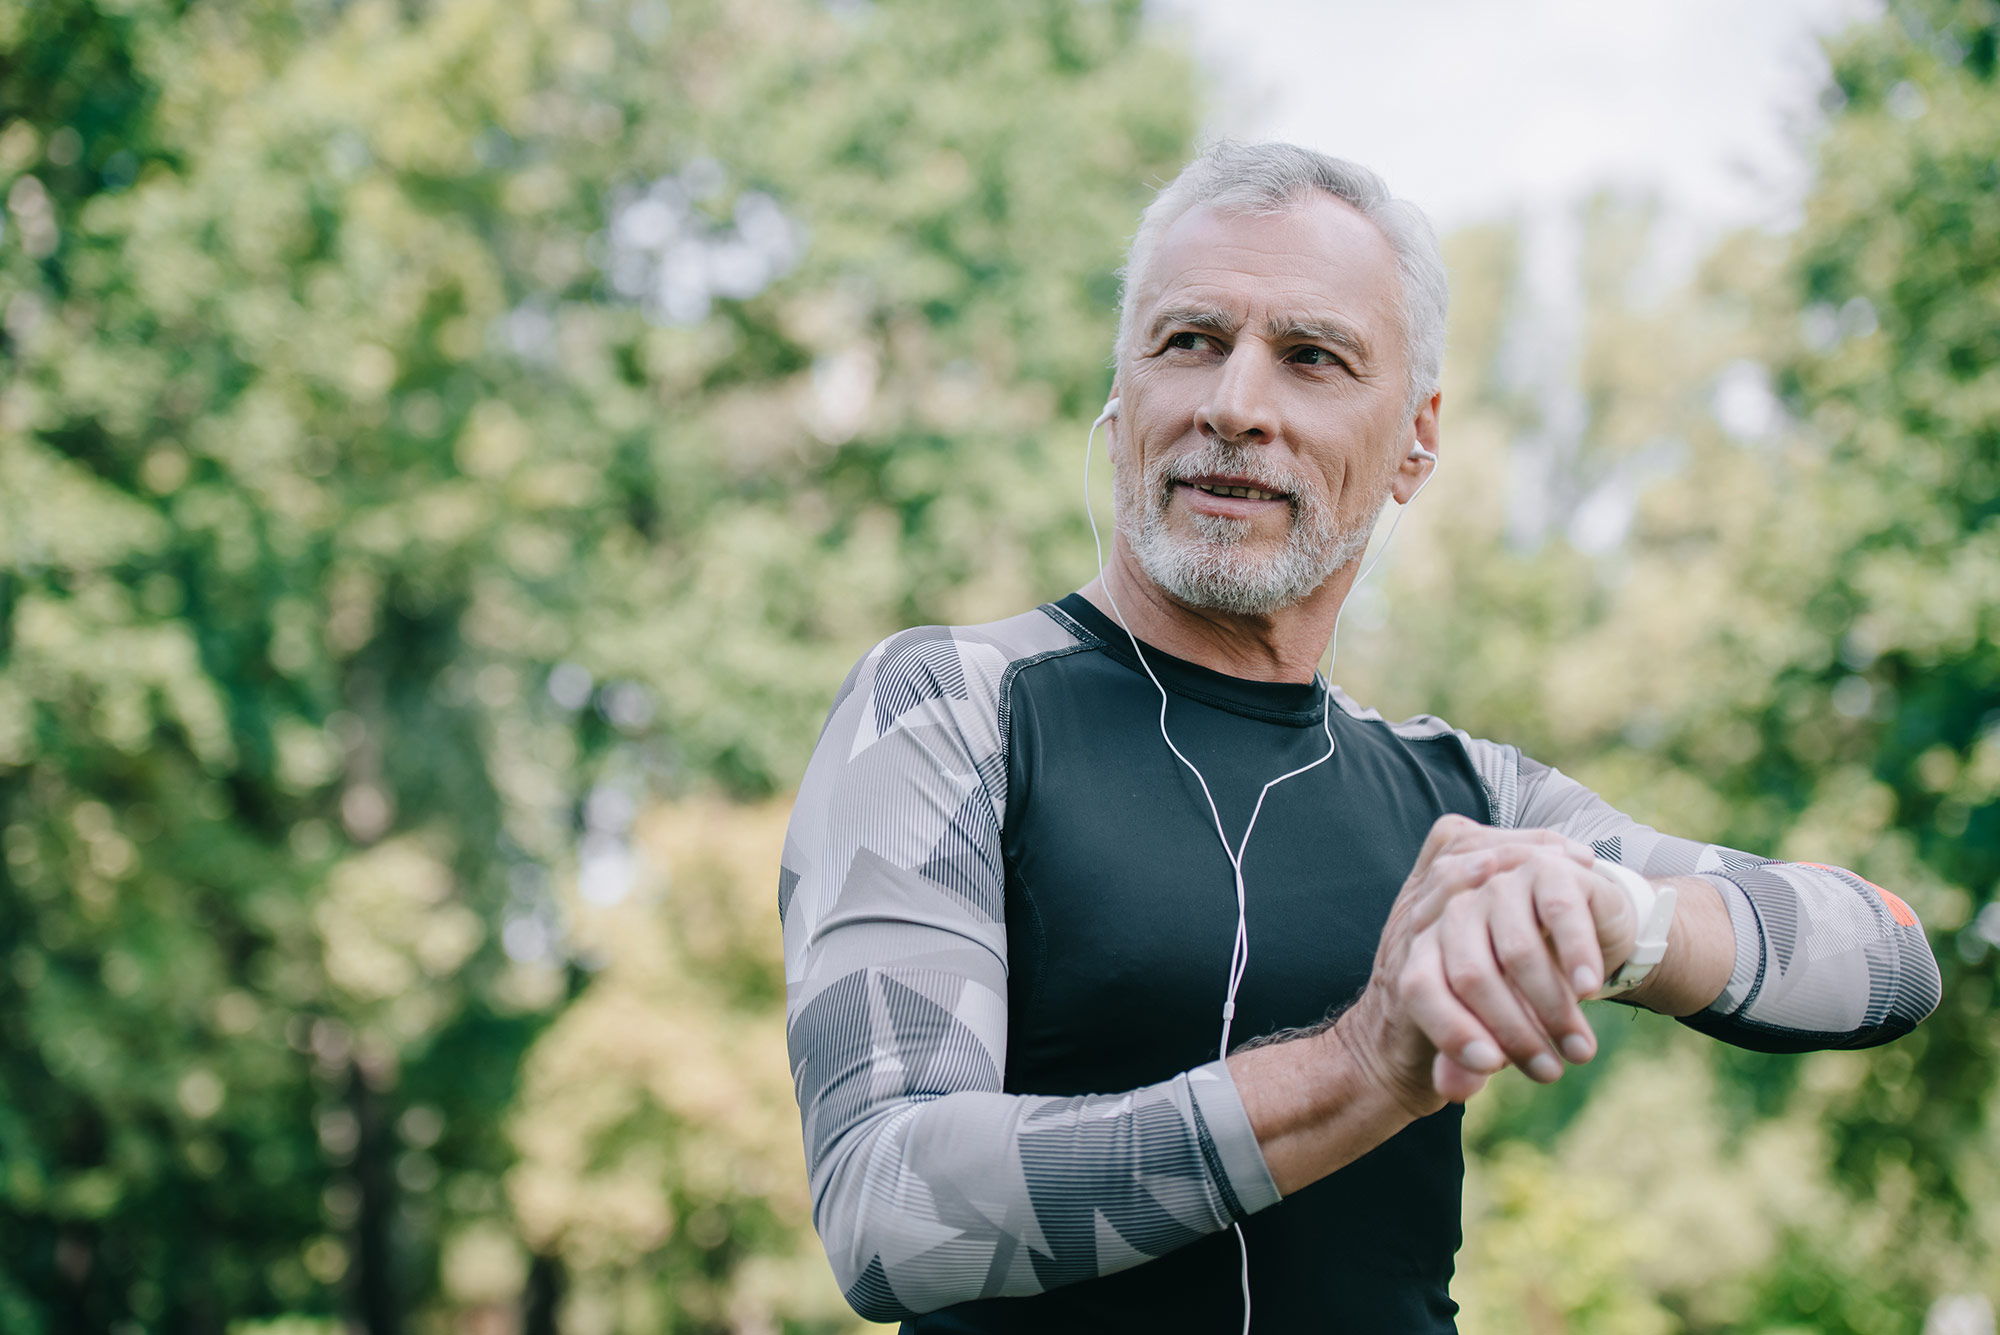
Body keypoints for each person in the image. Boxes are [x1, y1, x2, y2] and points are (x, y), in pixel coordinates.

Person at [778, 142, 1942, 1333]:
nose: (1234, 404)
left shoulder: (1463, 799)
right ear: (1123, 393)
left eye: (1309, 357)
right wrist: (1359, 1068)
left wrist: (1618, 920)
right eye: (1188, 341)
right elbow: (886, 1210)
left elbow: (1889, 959)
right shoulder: (947, 704)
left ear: (1415, 442)